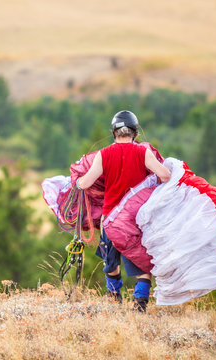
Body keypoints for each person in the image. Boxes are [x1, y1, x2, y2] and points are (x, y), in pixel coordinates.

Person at [76, 110, 171, 312]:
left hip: (110, 219)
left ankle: (114, 299)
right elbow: (165, 175)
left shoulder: (103, 154)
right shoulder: (143, 152)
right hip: (137, 220)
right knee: (142, 261)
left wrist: (77, 182)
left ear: (114, 132)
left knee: (111, 262)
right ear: (134, 132)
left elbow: (86, 183)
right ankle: (140, 302)